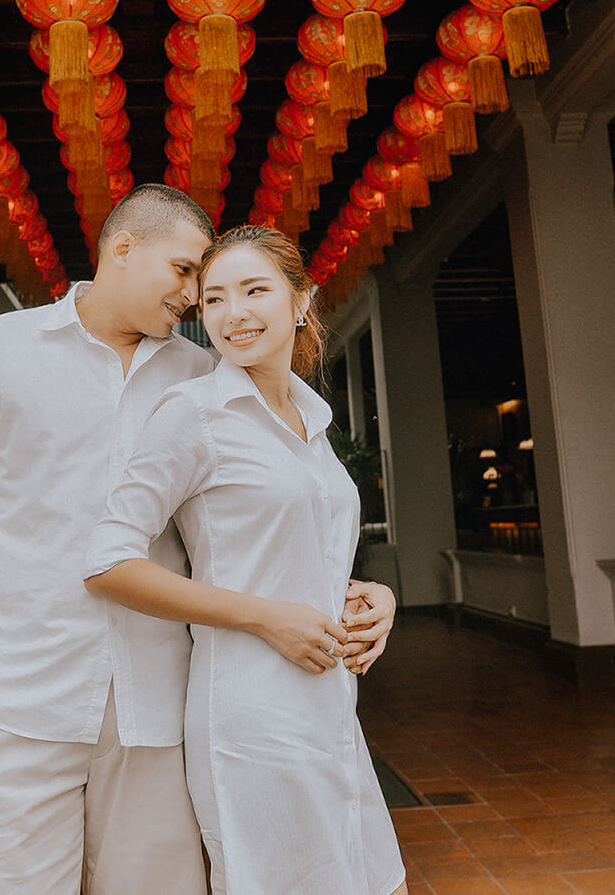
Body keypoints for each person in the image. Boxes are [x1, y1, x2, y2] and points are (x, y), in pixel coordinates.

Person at [0, 186, 395, 892]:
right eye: (186, 270)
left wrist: (364, 591)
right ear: (123, 248)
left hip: (157, 708)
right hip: (13, 694)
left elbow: (270, 520)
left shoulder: (206, 376)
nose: (198, 295)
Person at [85, 225, 408, 895]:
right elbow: (108, 561)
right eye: (215, 300)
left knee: (370, 879)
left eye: (255, 291)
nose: (235, 314)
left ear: (301, 299)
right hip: (248, 713)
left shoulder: (314, 421)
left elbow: (293, 551)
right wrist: (265, 619)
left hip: (328, 702)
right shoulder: (195, 414)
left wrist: (371, 594)